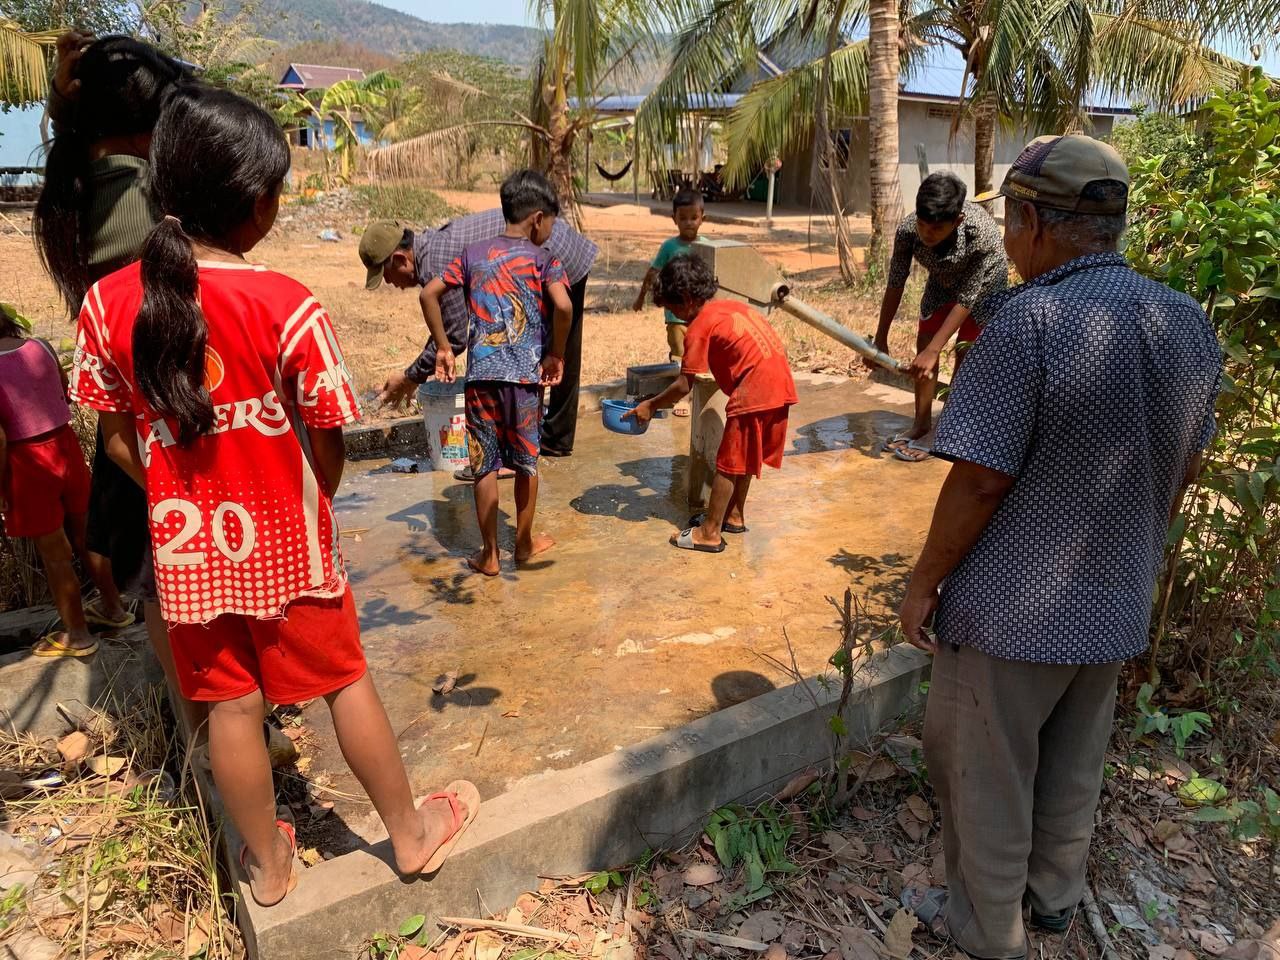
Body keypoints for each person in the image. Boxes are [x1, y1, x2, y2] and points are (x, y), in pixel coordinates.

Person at [70, 83, 478, 908]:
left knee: (227, 700)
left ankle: (269, 868)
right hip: (286, 540)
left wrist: (176, 498)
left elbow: (113, 438)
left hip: (186, 549)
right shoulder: (285, 305)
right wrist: (303, 504)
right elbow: (326, 438)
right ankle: (410, 833)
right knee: (343, 679)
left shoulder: (108, 304)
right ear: (255, 203)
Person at [897, 136, 1221, 959]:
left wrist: (924, 583)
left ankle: (986, 926)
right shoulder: (1186, 323)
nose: (1006, 239)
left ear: (1034, 220)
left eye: (1010, 220)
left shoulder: (1027, 322)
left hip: (1014, 613)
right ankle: (1053, 900)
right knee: (1074, 761)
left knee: (984, 769)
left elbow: (978, 483)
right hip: (1115, 600)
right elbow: (1184, 463)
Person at [33, 34, 200, 709]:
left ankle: (195, 718)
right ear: (152, 124)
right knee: (185, 581)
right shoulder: (143, 203)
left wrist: (63, 99)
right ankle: (219, 719)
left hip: (128, 421)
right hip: (167, 413)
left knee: (157, 580)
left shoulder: (82, 186)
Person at [420, 169, 572, 578]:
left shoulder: (473, 254)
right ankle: (522, 544)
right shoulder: (545, 261)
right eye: (551, 224)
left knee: (483, 463)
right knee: (526, 462)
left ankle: (489, 554)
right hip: (524, 380)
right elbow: (564, 307)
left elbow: (428, 293)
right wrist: (555, 354)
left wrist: (445, 347)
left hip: (482, 377)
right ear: (538, 219)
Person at [366, 206, 597, 461]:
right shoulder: (431, 250)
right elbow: (448, 330)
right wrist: (413, 374)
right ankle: (541, 442)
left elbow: (455, 337)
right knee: (543, 352)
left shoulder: (435, 264)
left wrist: (411, 377)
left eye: (386, 275)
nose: (389, 283)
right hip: (549, 249)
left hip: (556, 251)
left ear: (400, 259)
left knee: (548, 352)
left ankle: (529, 449)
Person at [626, 255, 797, 553]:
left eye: (673, 307)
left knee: (728, 462)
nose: (674, 315)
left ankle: (709, 532)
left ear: (688, 299)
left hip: (755, 389)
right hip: (780, 382)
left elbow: (683, 385)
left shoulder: (699, 327)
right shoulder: (732, 307)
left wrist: (651, 406)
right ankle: (733, 515)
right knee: (743, 457)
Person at [0, 304, 120, 657]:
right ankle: (115, 608)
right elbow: (65, 389)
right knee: (87, 536)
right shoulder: (41, 347)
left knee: (55, 555)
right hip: (64, 445)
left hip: (26, 460)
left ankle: (78, 635)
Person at [868, 172, 1007, 462]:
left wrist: (936, 351)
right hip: (942, 281)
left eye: (936, 228)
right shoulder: (908, 230)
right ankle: (921, 424)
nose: (926, 233)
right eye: (921, 224)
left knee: (963, 355)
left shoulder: (979, 235)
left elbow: (968, 297)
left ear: (956, 222)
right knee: (925, 343)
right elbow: (896, 282)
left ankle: (945, 430)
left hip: (985, 288)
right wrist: (880, 338)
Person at [632, 187, 706, 365]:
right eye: (683, 218)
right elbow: (652, 272)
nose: (688, 223)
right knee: (679, 353)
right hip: (676, 317)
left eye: (693, 218)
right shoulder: (669, 247)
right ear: (674, 219)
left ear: (702, 219)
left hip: (699, 315)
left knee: (699, 353)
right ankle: (678, 384)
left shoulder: (707, 247)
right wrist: (641, 297)